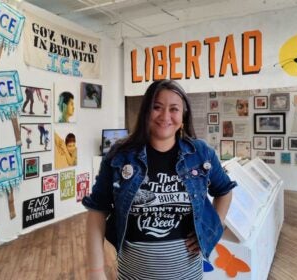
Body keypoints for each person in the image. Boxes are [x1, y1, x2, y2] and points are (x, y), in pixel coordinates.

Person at [82, 79, 236, 280]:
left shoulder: (201, 153)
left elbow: (224, 191)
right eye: (157, 107)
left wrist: (212, 230)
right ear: (146, 111)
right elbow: (97, 210)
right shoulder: (119, 156)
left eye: (174, 109)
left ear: (183, 115)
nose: (165, 116)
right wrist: (96, 272)